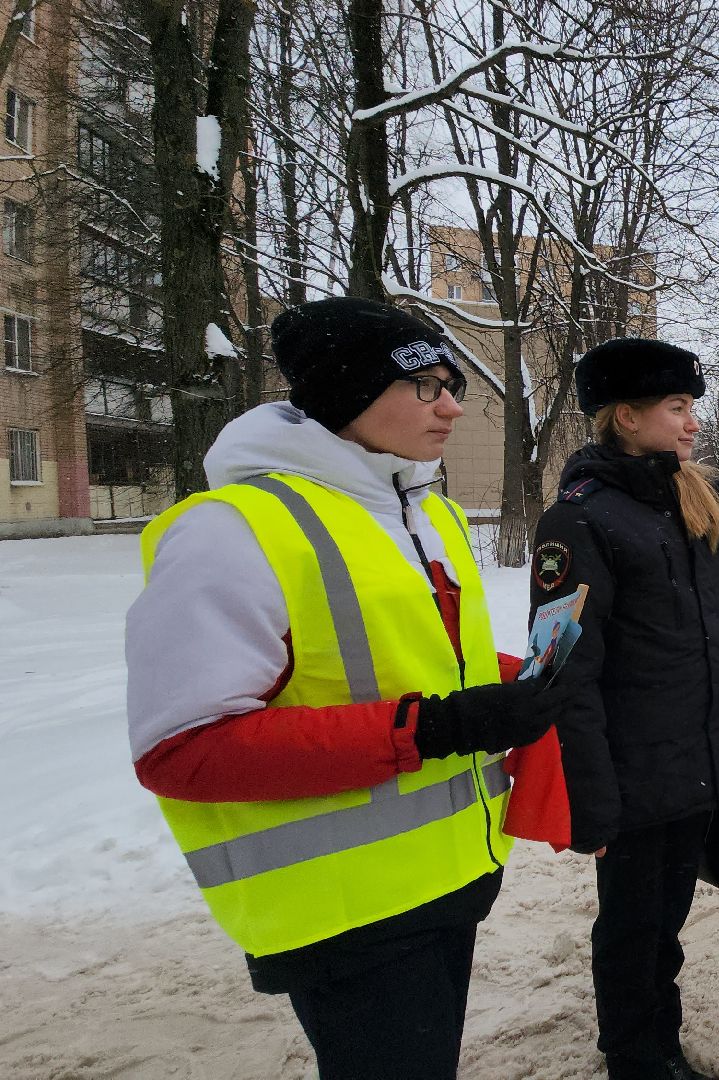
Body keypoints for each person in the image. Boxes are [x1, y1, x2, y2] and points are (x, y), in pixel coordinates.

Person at [125, 297, 565, 1079]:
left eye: (452, 383)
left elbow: (412, 666)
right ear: (347, 393)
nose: (453, 406)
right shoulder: (230, 529)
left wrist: (515, 686)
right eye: (428, 385)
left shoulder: (428, 514)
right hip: (341, 911)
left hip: (453, 876)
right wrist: (437, 729)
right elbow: (182, 751)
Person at [529, 338, 719, 1080]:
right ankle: (634, 1056)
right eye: (678, 408)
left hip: (688, 765)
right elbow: (563, 675)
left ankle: (662, 1042)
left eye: (691, 407)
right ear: (626, 416)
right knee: (631, 926)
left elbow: (700, 650)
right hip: (629, 775)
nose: (692, 424)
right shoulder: (580, 521)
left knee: (667, 925)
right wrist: (591, 797)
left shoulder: (683, 504)